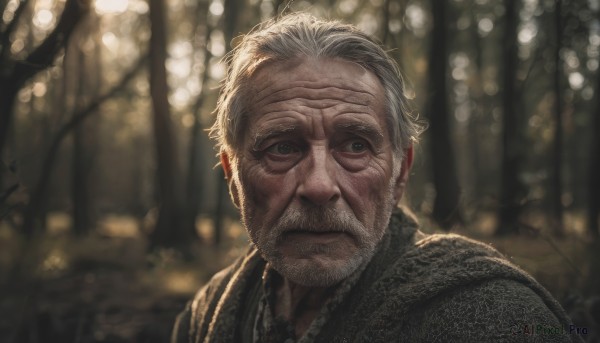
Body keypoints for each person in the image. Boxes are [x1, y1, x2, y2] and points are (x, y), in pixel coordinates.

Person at [172, 13, 582, 343]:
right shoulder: (204, 316)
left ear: (400, 172)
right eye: (282, 147)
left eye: (354, 146)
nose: (319, 187)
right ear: (232, 174)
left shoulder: (496, 315)